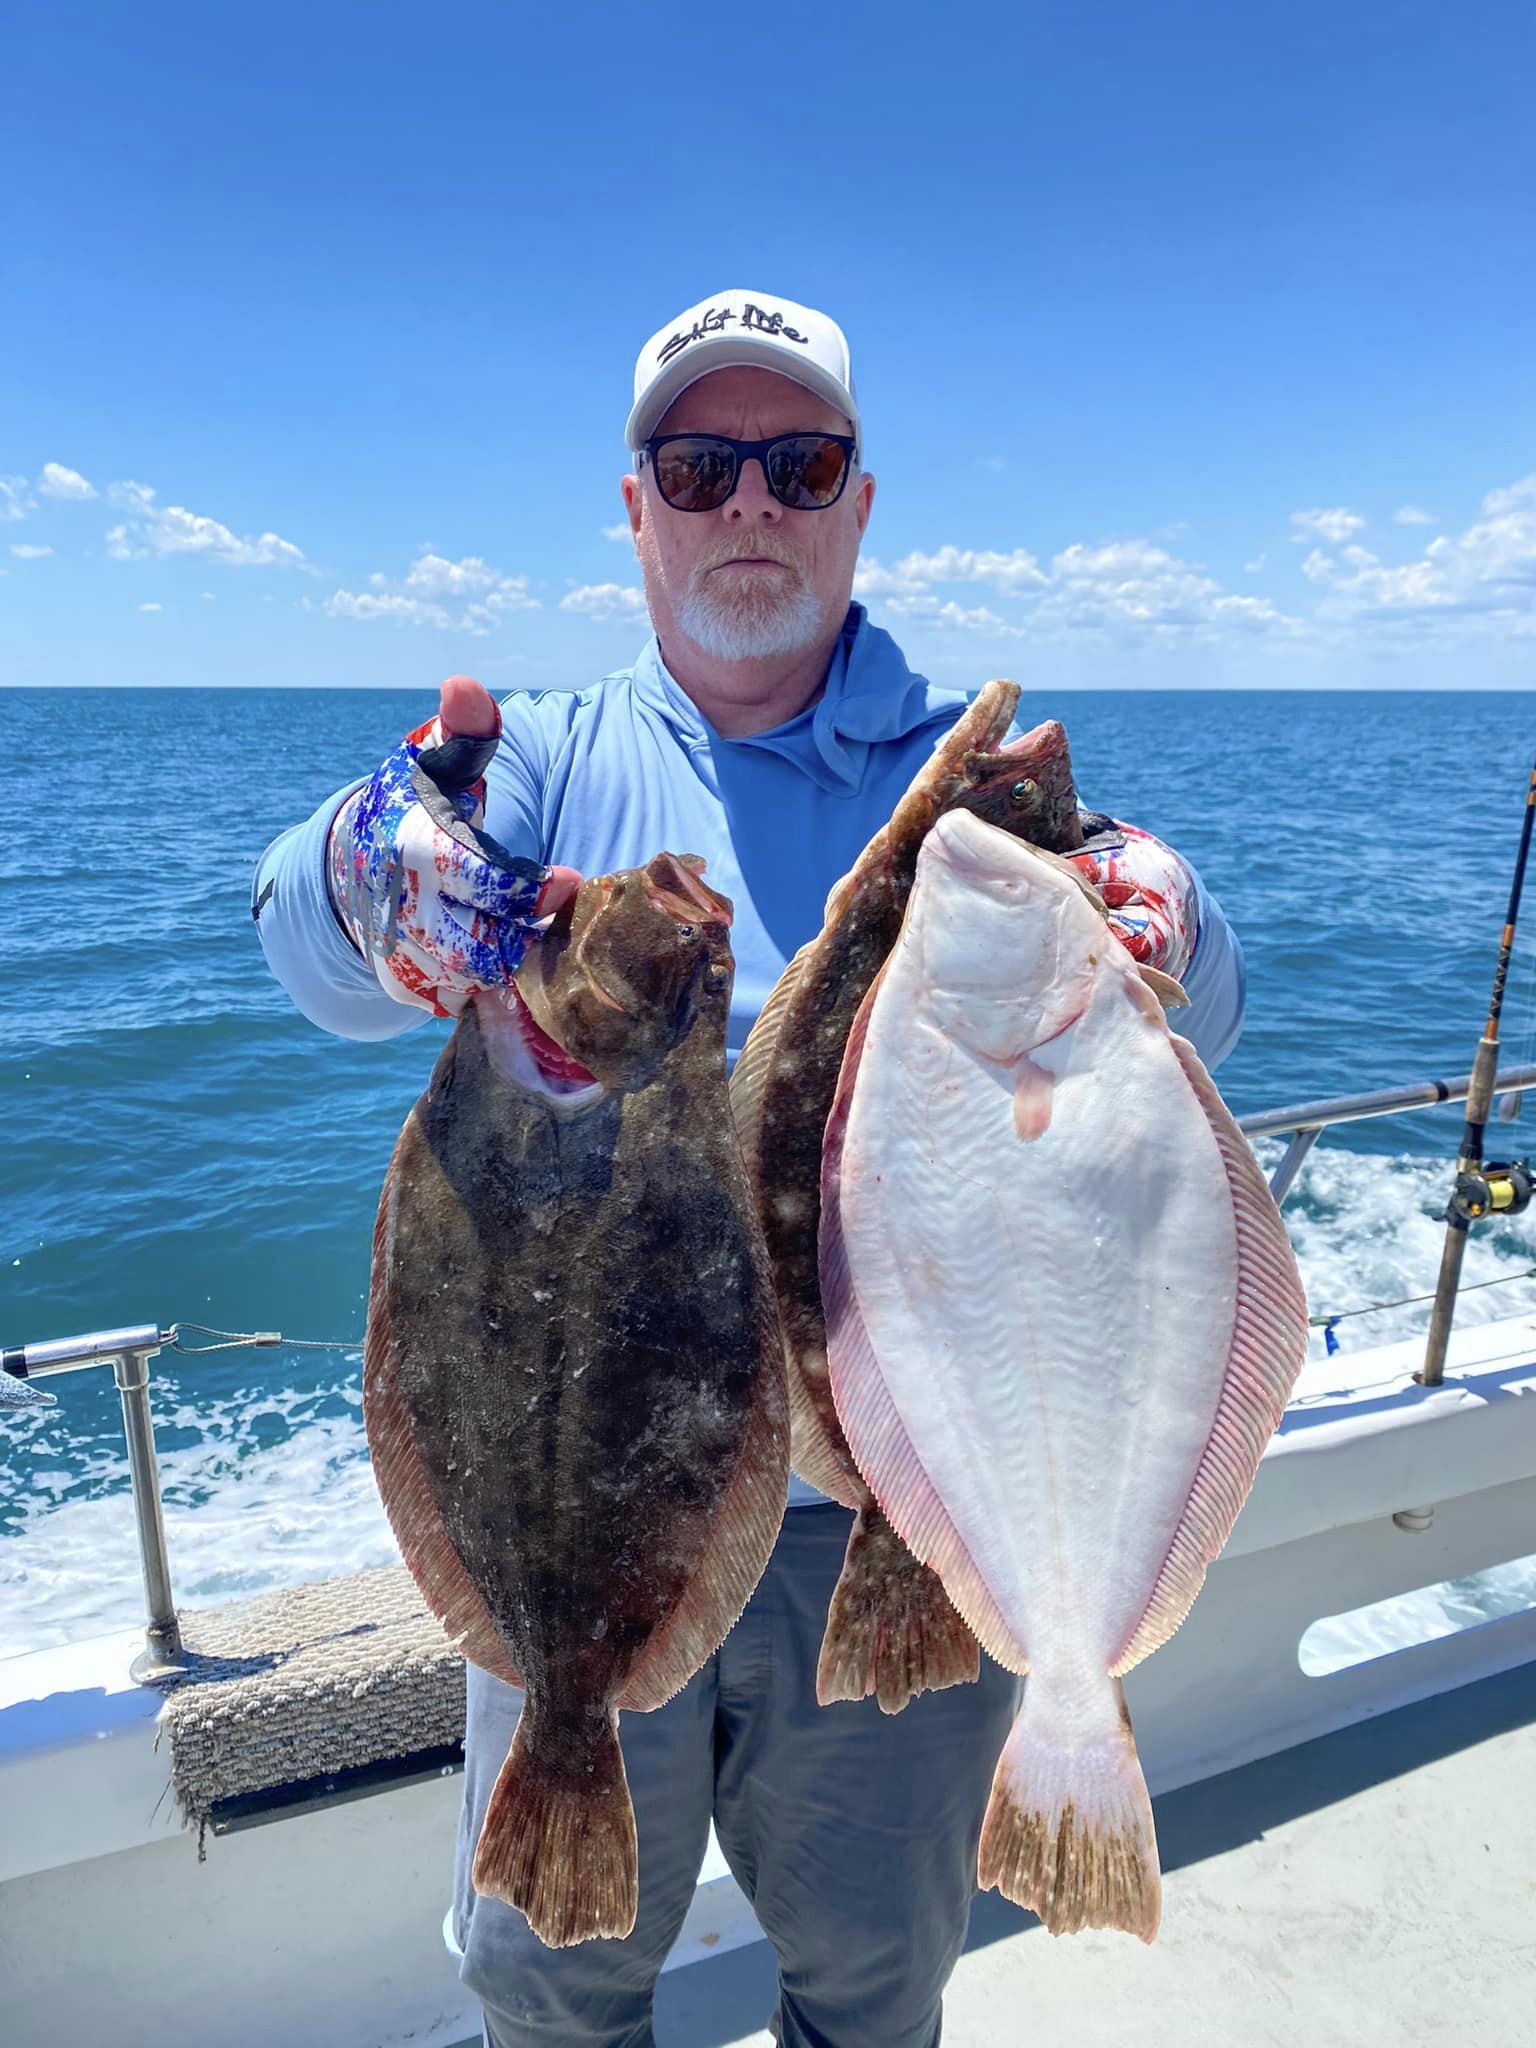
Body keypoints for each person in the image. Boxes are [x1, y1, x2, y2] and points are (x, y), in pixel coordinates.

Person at [253, 287, 1245, 2048]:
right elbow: (310, 957)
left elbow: (1193, 1015)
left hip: (898, 1518)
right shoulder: (543, 763)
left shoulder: (975, 792)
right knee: (551, 1986)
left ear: (863, 501)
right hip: (587, 1501)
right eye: (699, 467)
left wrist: (1161, 914)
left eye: (801, 462)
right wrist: (367, 867)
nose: (750, 507)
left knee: (876, 1983)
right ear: (634, 508)